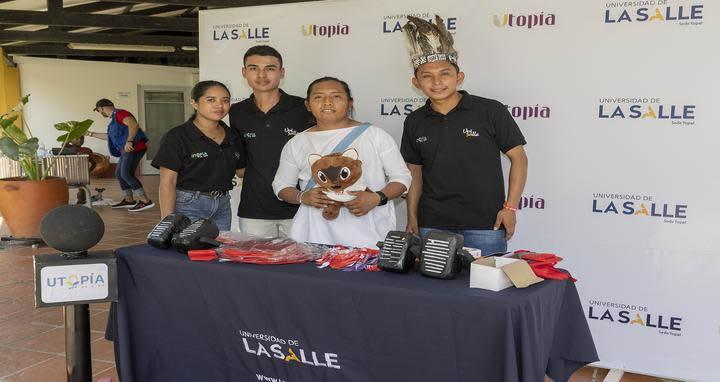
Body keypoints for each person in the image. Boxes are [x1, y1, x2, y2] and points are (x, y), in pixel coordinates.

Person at [400, 16, 529, 256]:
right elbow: (414, 173)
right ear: (416, 82)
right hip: (432, 224)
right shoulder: (414, 121)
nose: (437, 82)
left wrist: (510, 208)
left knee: (486, 292)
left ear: (459, 77)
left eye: (445, 73)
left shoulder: (490, 110)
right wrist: (412, 217)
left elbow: (519, 158)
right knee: (435, 292)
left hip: (487, 225)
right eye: (427, 76)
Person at [272, 77, 411, 248]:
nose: (327, 102)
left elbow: (402, 177)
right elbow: (281, 185)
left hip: (368, 239)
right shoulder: (297, 142)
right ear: (308, 105)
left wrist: (377, 198)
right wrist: (303, 197)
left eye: (336, 96)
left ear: (350, 102)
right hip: (313, 238)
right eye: (318, 97)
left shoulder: (375, 135)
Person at [229, 45, 314, 237]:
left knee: (301, 264)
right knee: (255, 266)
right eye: (253, 68)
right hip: (254, 210)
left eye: (270, 68)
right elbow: (240, 164)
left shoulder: (304, 108)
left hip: (300, 206)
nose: (261, 75)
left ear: (281, 72)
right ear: (244, 72)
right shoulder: (236, 111)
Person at [151, 81, 243, 231]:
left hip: (222, 204)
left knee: (218, 250)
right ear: (194, 103)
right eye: (211, 100)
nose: (219, 105)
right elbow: (168, 182)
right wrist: (167, 222)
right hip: (189, 204)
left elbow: (241, 170)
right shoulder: (177, 136)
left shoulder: (233, 135)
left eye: (225, 100)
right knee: (188, 251)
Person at [87, 98, 154, 212]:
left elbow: (133, 123)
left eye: (99, 111)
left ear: (101, 108)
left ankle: (145, 201)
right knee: (119, 173)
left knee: (126, 174)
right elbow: (108, 137)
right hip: (127, 150)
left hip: (133, 147)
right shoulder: (114, 120)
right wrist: (90, 134)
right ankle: (129, 200)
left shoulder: (119, 113)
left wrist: (130, 141)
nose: (100, 113)